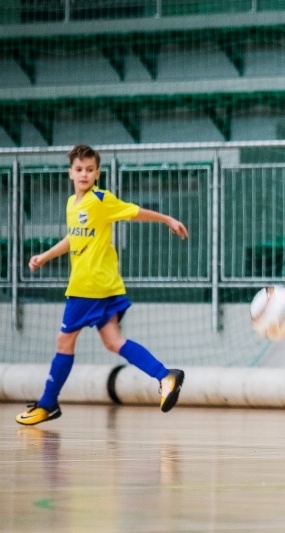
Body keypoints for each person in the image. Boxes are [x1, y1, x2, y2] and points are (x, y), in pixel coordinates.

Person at [16, 144, 189, 426]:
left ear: (97, 172)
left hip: (89, 286)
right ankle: (165, 375)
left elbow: (133, 212)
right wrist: (45, 256)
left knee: (64, 340)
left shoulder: (100, 199)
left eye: (90, 169)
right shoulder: (73, 204)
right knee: (113, 341)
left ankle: (47, 404)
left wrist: (167, 219)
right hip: (105, 286)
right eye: (79, 169)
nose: (84, 174)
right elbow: (75, 237)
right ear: (70, 172)